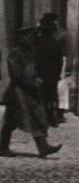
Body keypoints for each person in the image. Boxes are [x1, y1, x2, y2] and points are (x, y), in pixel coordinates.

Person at [1, 26, 62, 158]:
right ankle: (4, 147)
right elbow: (16, 74)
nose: (30, 39)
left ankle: (42, 147)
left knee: (29, 118)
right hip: (18, 92)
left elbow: (35, 69)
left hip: (28, 92)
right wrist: (32, 83)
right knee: (14, 121)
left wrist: (38, 80)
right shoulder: (15, 53)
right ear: (20, 38)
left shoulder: (30, 52)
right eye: (27, 37)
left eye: (31, 36)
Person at [33, 12, 67, 126]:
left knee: (40, 95)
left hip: (40, 72)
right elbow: (60, 60)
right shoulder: (56, 42)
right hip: (52, 73)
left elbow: (35, 58)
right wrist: (57, 73)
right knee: (52, 95)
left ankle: (41, 117)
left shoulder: (37, 41)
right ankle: (52, 117)